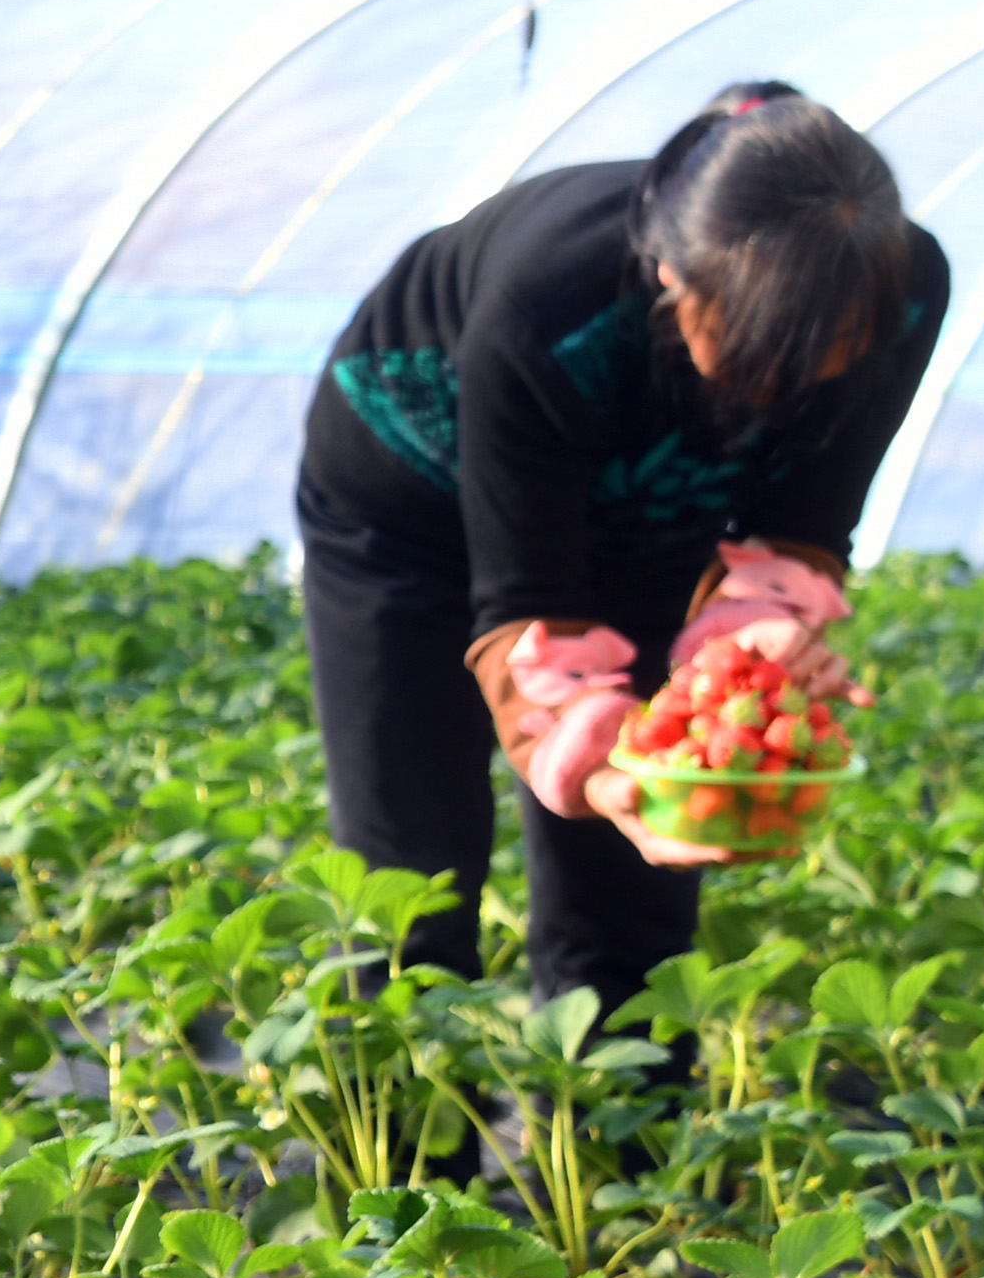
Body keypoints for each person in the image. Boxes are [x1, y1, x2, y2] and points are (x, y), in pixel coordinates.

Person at [294, 82, 948, 1021]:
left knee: (638, 883)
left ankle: (621, 1154)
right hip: (408, 512)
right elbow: (524, 598)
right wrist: (585, 758)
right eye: (756, 356)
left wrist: (753, 639)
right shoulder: (549, 297)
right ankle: (407, 1155)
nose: (782, 394)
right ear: (675, 279)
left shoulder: (904, 288)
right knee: (413, 872)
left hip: (650, 519)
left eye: (819, 358)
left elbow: (804, 517)